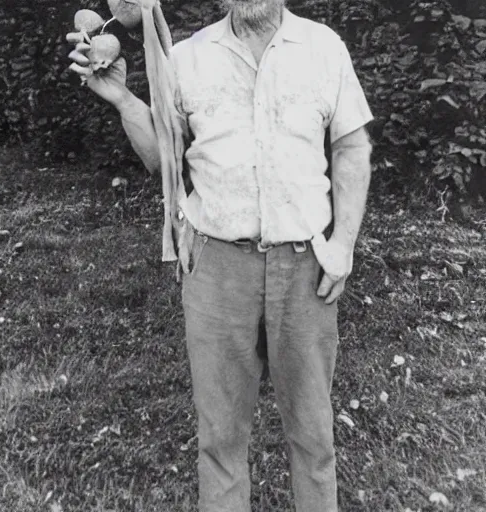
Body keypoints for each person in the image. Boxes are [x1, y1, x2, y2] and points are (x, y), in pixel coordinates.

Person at [68, 0, 373, 510]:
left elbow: (350, 147)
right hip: (217, 273)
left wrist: (342, 244)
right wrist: (122, 99)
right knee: (220, 443)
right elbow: (160, 157)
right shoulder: (187, 57)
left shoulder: (324, 48)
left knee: (314, 440)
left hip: (305, 272)